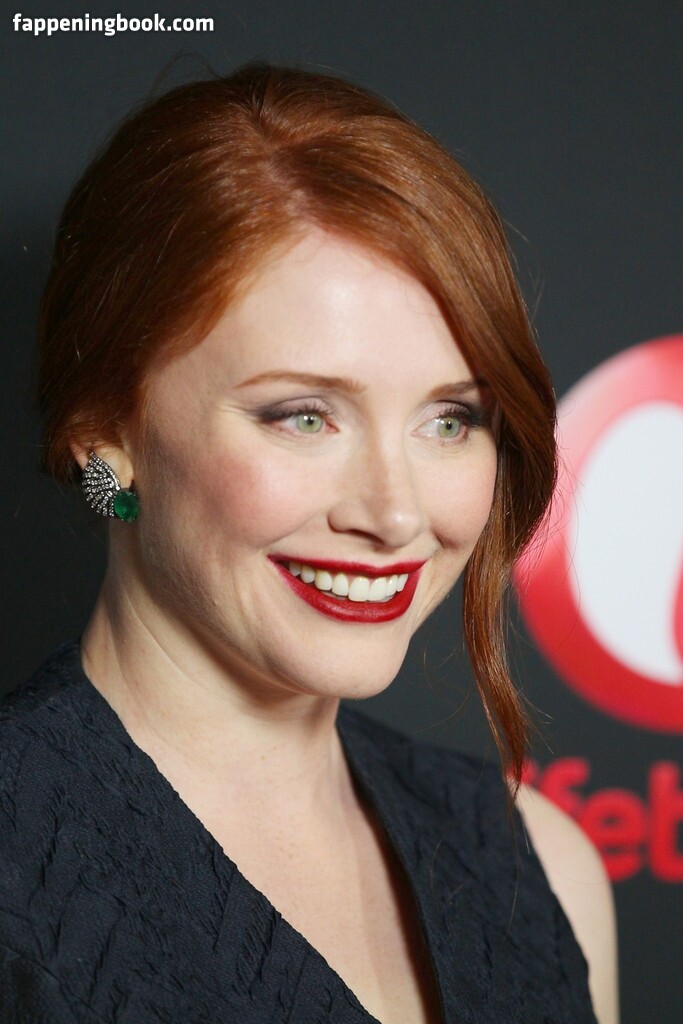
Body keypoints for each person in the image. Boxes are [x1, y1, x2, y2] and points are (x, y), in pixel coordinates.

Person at [0, 61, 618, 1024]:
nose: (396, 514)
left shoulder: (537, 864)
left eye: (449, 420)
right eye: (303, 416)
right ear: (106, 438)